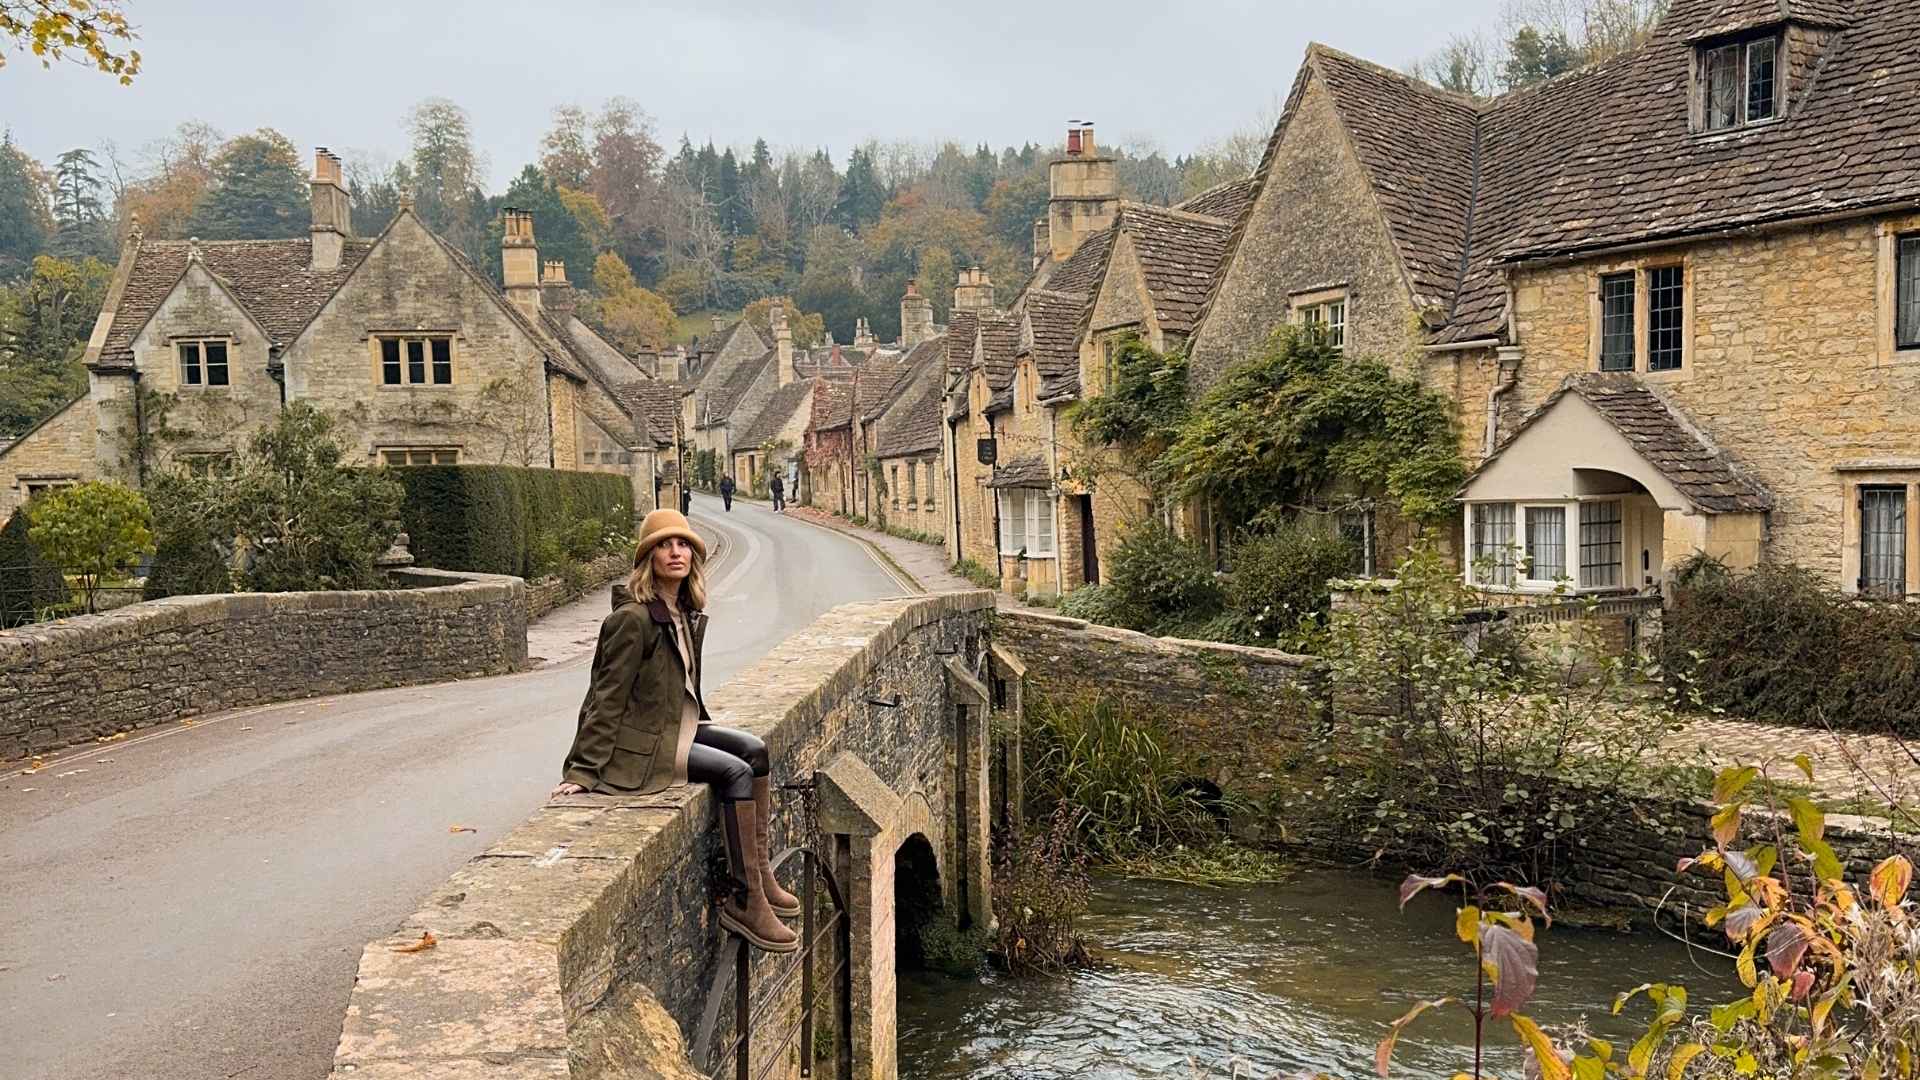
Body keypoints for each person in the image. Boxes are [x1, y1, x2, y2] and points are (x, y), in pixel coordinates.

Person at [550, 509, 800, 953]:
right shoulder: (632, 619)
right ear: (648, 558)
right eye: (664, 545)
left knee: (755, 750)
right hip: (642, 744)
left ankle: (760, 875)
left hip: (677, 726)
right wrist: (583, 769)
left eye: (683, 544)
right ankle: (745, 901)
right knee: (734, 773)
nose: (675, 552)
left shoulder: (683, 610)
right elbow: (605, 696)